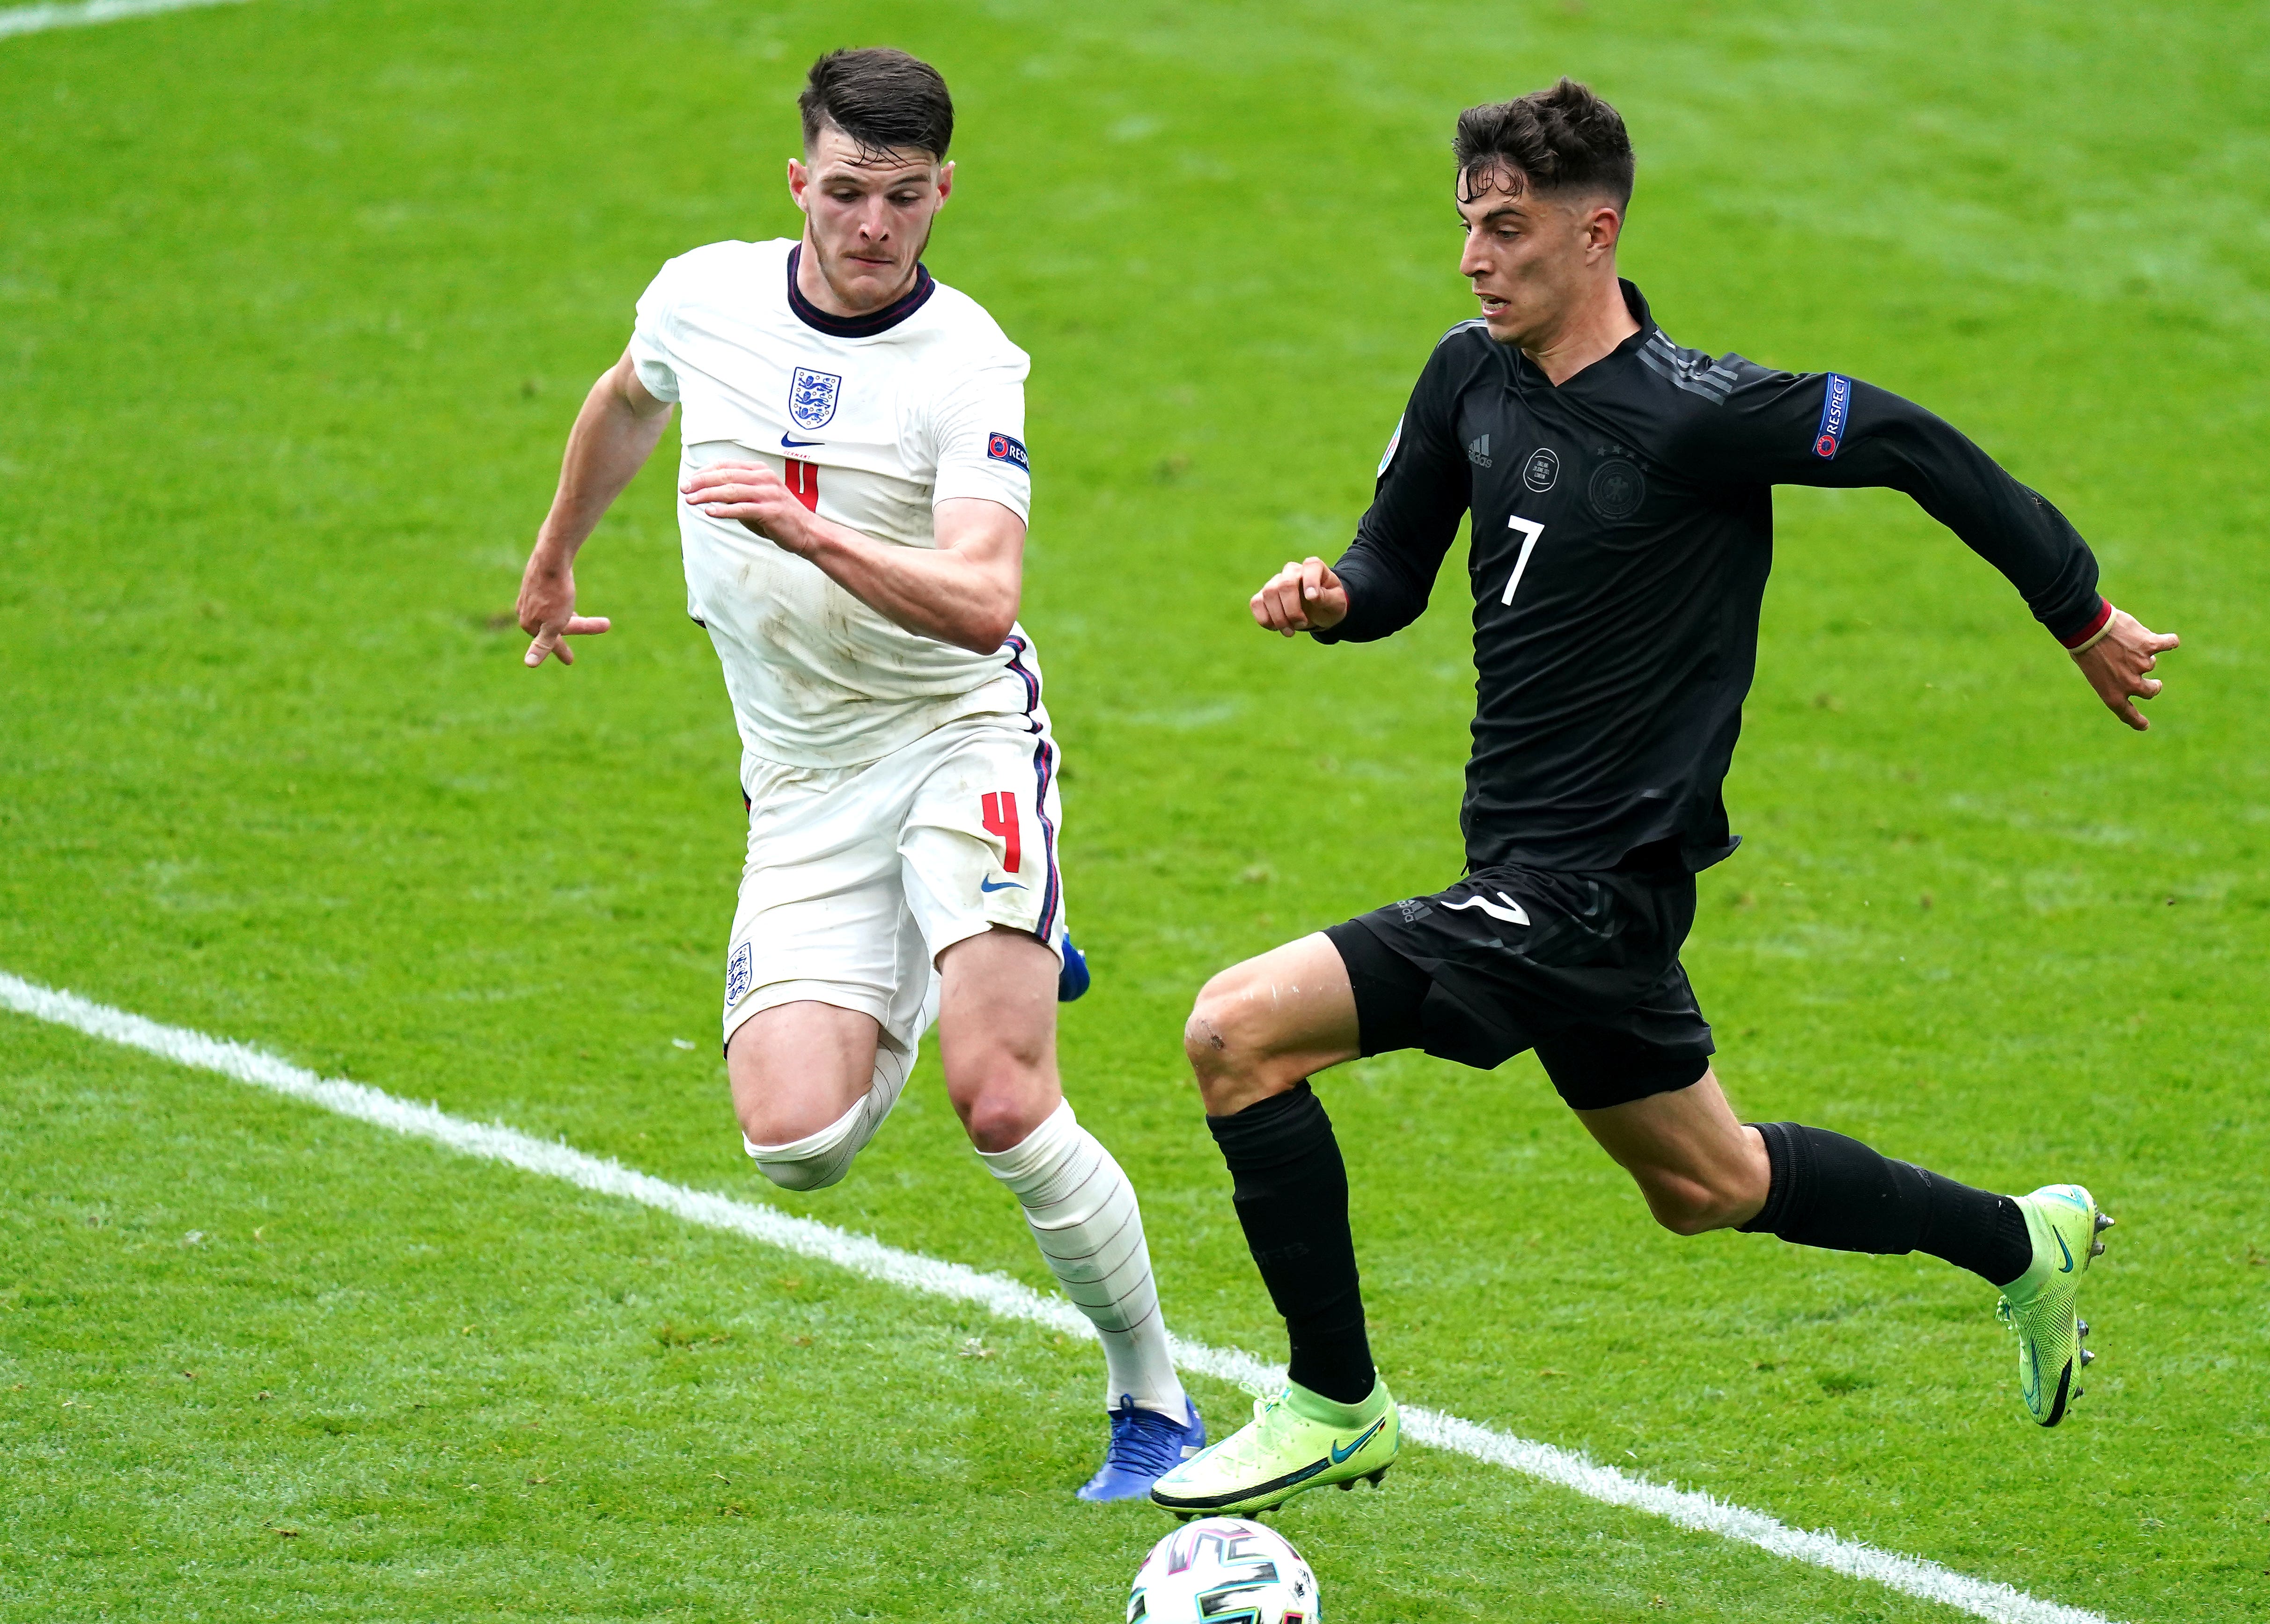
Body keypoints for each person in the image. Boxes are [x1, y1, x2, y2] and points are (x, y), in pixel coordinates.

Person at [1150, 79, 2164, 1519]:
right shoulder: (1467, 377)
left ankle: (1333, 1403)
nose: (1474, 259)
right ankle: (2021, 1242)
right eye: (1465, 227)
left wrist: (2078, 611)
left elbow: (1909, 446)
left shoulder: (1699, 416)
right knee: (1711, 1185)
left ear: (1595, 232)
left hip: (1588, 888)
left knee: (1237, 1033)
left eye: (1505, 231)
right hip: (1532, 868)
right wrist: (1331, 597)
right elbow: (1394, 574)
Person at [513, 46, 1201, 1500]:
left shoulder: (972, 365)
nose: (872, 225)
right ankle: (972, 937)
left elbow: (985, 602)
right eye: (845, 191)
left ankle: (1154, 1396)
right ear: (796, 183)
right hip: (806, 778)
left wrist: (807, 528)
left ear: (945, 191)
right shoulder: (701, 295)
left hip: (957, 736)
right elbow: (627, 400)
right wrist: (558, 548)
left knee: (1001, 1100)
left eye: (903, 197)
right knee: (798, 1143)